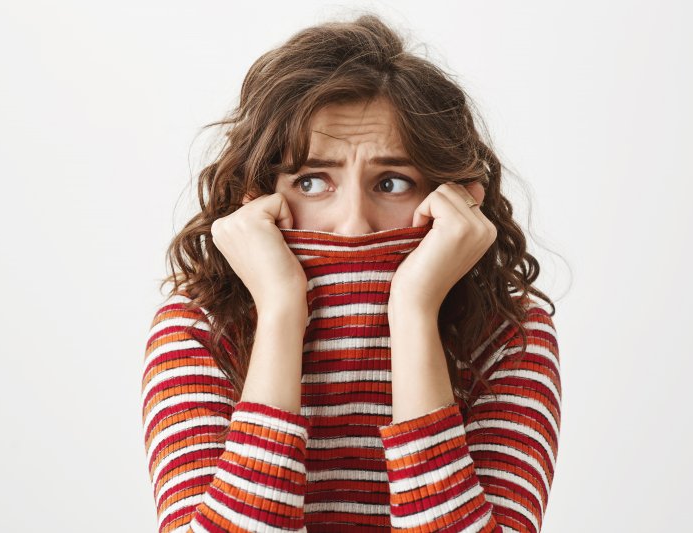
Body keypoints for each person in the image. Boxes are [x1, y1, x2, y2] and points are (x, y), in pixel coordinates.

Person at [142, 13, 561, 533]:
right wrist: (279, 312)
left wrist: (412, 313)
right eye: (313, 182)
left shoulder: (507, 334)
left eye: (391, 183)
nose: (353, 226)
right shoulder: (199, 329)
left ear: (455, 199)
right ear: (257, 200)